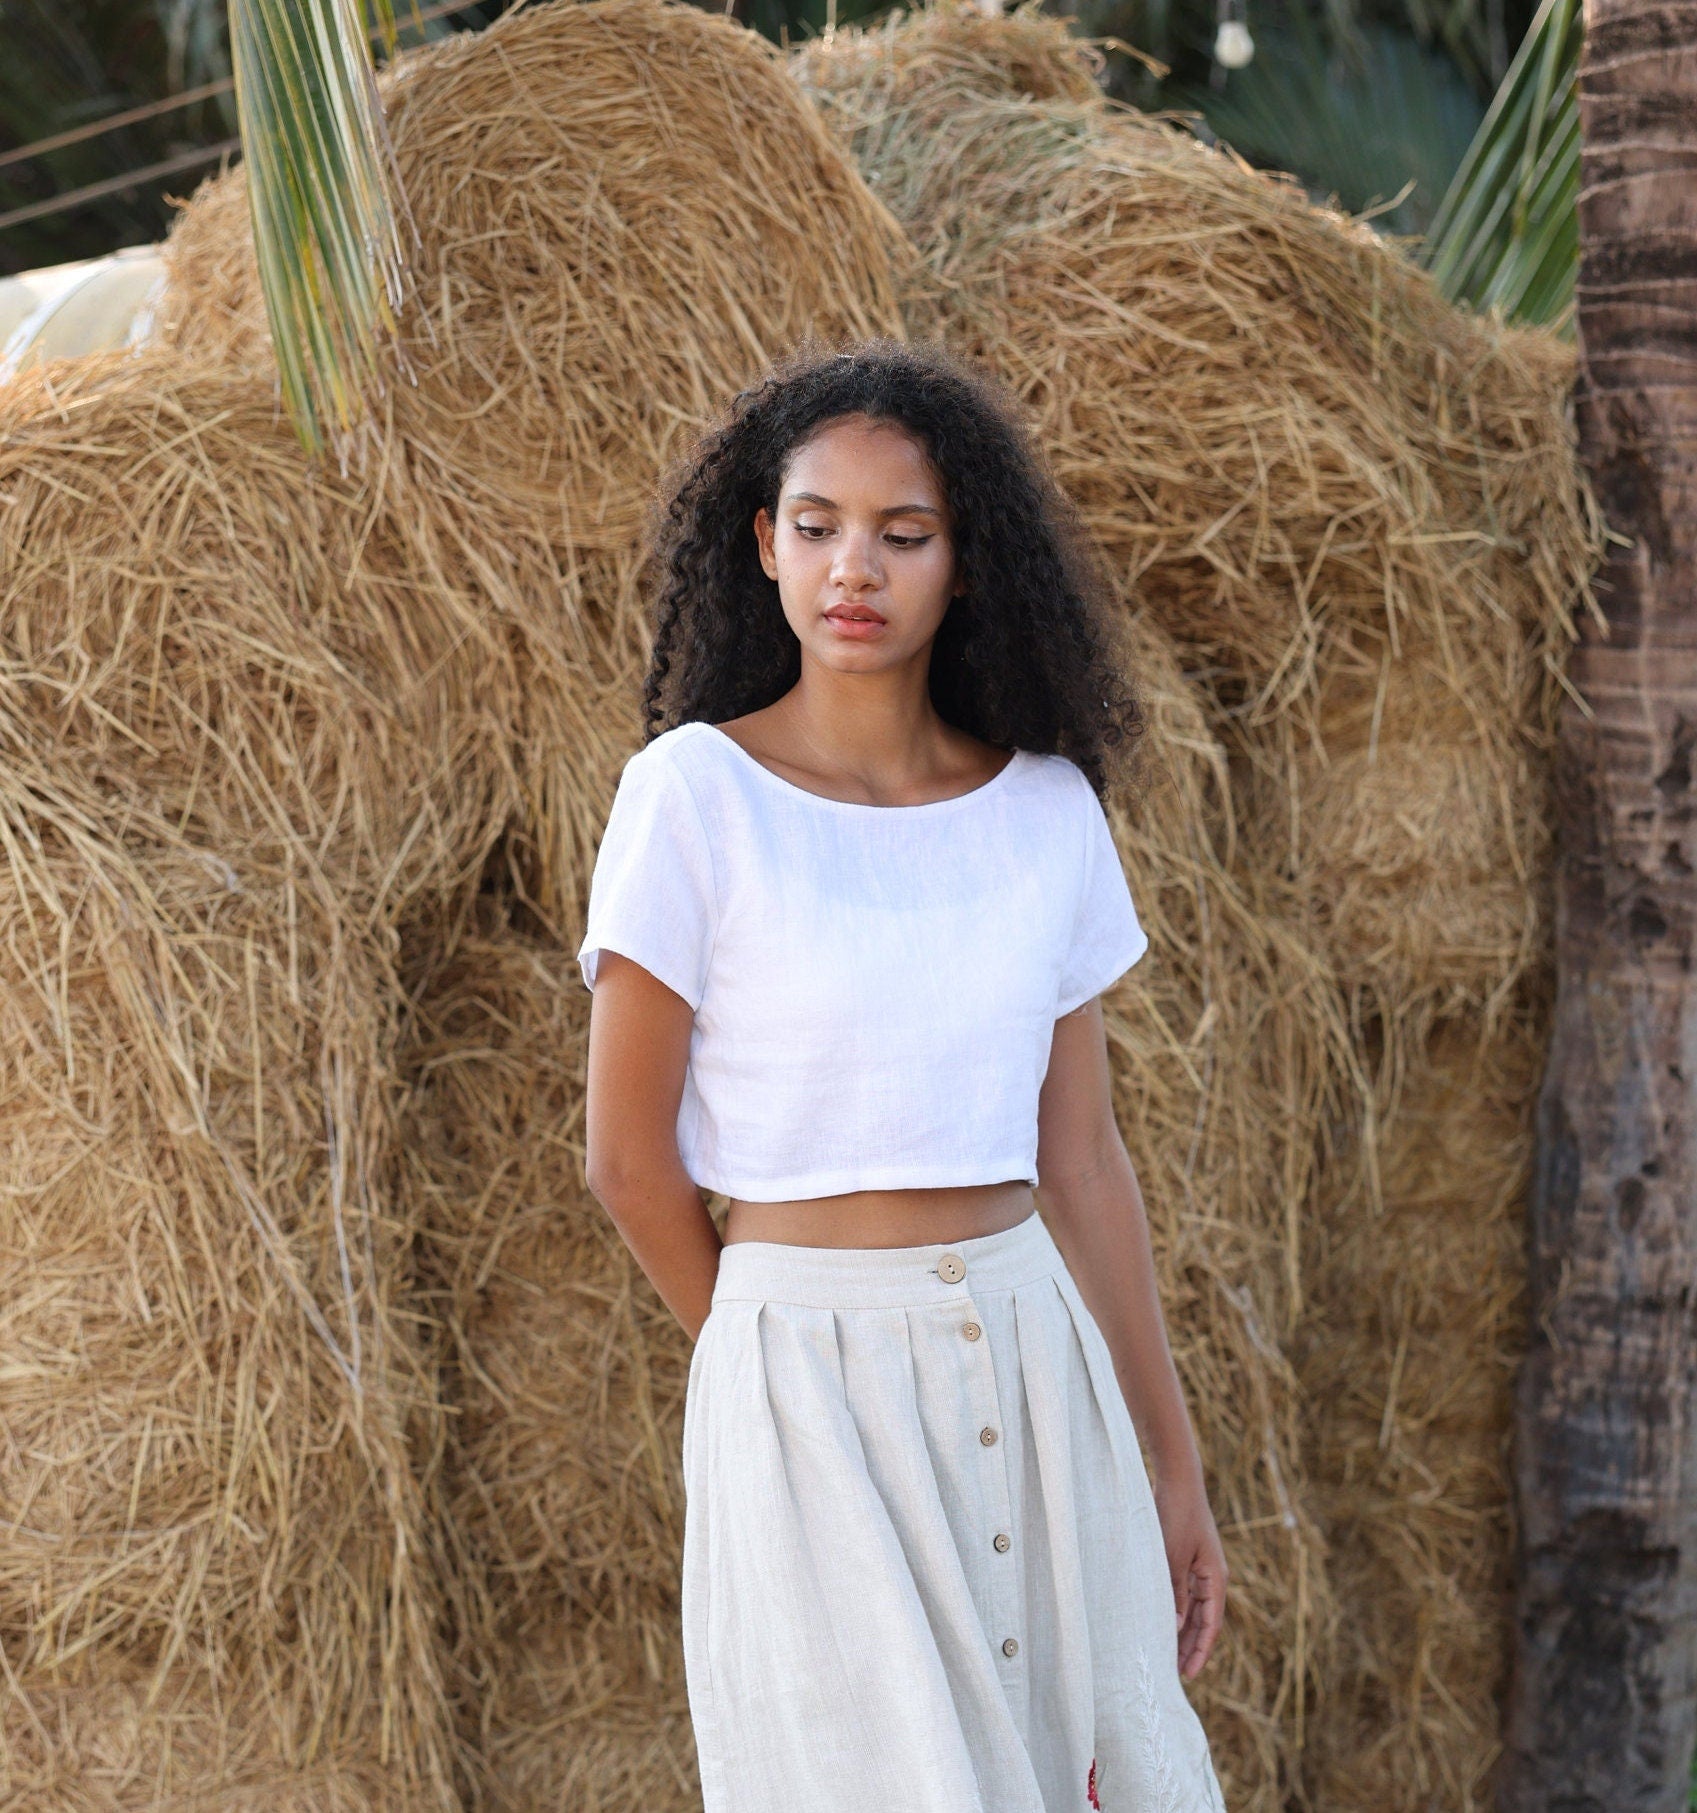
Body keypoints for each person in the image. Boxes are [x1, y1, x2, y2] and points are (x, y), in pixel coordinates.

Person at [576, 339, 1229, 1812]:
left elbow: (1082, 1164)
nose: (850, 567)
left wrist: (1168, 1467)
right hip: (800, 1378)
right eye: (814, 525)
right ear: (763, 544)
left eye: (901, 533)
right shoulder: (689, 798)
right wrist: (766, 1359)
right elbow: (626, 1158)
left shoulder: (1046, 813)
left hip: (1029, 1354)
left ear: (960, 559)